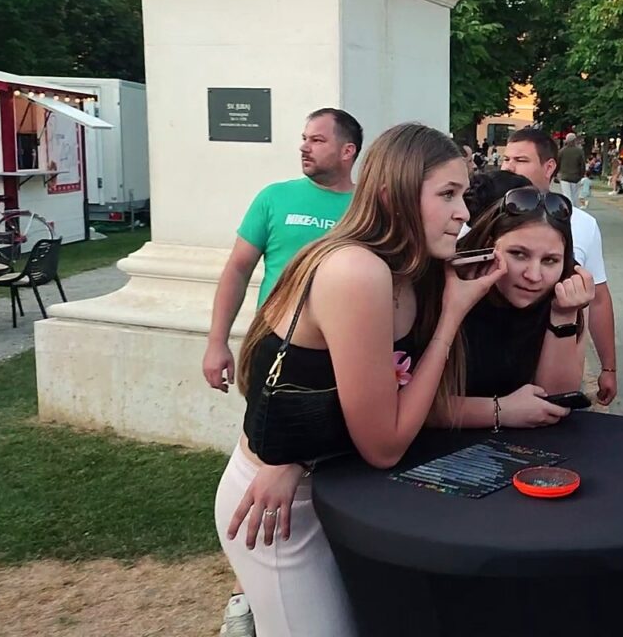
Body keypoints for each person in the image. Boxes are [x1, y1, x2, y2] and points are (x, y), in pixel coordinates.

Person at [215, 123, 506, 637]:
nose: (463, 212)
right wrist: (450, 319)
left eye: (463, 195)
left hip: (334, 487)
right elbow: (385, 445)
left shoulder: (410, 269)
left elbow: (402, 406)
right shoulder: (355, 271)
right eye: (447, 194)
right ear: (392, 196)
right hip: (279, 508)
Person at [201, 107, 362, 637]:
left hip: (343, 362)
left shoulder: (367, 208)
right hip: (274, 360)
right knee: (266, 462)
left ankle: (317, 572)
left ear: (348, 151)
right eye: (303, 138)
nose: (304, 146)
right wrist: (217, 342)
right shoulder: (274, 198)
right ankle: (248, 593)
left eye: (317, 139)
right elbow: (237, 269)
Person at [429, 172, 594, 428]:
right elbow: (403, 407)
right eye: (518, 254)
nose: (534, 276)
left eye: (550, 260)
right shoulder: (445, 288)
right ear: (488, 247)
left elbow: (554, 402)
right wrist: (498, 410)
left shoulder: (565, 297)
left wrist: (563, 316)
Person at [501, 128, 620, 404]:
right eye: (506, 159)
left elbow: (599, 299)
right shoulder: (481, 220)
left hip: (557, 364)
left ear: (549, 167)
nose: (509, 167)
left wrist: (609, 367)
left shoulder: (582, 225)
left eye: (520, 160)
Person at [556, 132, 587, 204]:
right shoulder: (579, 151)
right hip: (576, 177)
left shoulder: (562, 151)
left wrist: (556, 174)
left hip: (564, 177)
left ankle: (569, 208)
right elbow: (582, 164)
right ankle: (574, 209)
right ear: (574, 140)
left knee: (567, 196)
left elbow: (557, 164)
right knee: (574, 197)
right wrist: (581, 175)